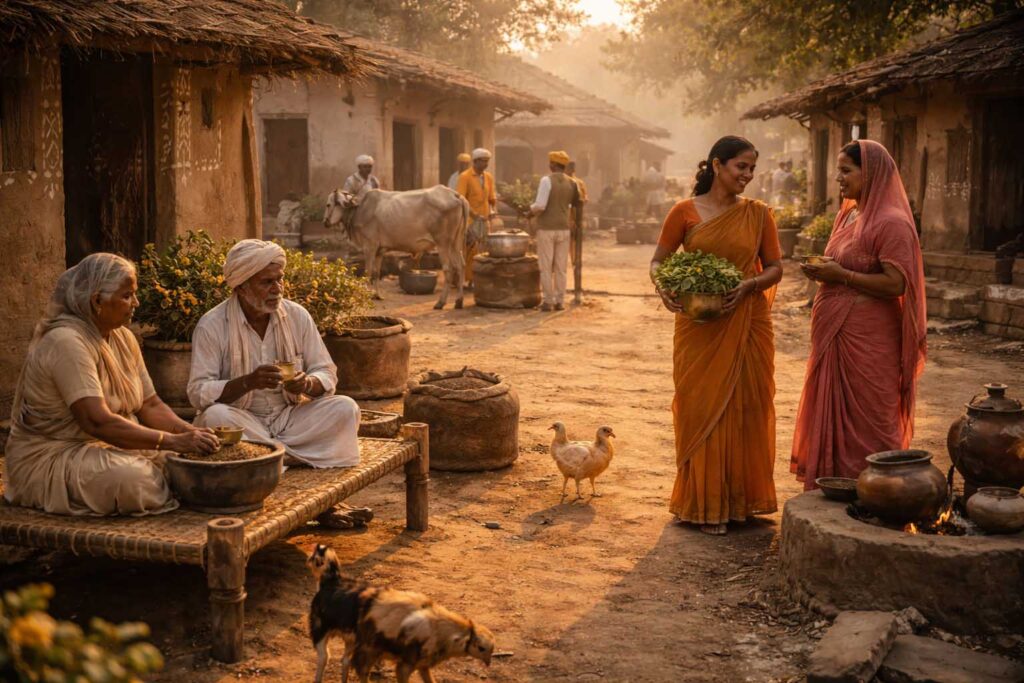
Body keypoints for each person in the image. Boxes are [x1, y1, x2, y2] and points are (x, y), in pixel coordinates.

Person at [4, 253, 220, 516]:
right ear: (97, 300)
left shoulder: (124, 337)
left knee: (183, 465)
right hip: (55, 454)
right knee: (137, 480)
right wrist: (173, 441)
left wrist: (191, 435)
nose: (136, 303)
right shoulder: (66, 342)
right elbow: (96, 422)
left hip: (111, 445)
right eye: (127, 295)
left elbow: (150, 404)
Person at [649, 136, 784, 535]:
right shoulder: (684, 211)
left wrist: (748, 285)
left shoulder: (759, 214)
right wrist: (666, 288)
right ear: (717, 165)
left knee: (749, 406)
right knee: (700, 405)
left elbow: (775, 267)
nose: (747, 176)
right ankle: (703, 505)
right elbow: (659, 261)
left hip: (747, 320)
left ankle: (740, 503)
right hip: (700, 325)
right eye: (741, 167)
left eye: (752, 170)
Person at [791, 140, 926, 488]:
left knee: (873, 416)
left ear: (872, 174)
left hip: (870, 339)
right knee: (832, 410)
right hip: (833, 332)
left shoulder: (892, 222)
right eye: (838, 170)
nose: (839, 177)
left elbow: (896, 284)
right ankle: (834, 485)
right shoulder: (848, 214)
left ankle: (882, 489)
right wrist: (825, 273)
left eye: (846, 170)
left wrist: (843, 276)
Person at [188, 239, 360, 469]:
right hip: (243, 419)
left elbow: (326, 370)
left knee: (346, 408)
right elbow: (198, 392)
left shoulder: (297, 315)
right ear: (241, 287)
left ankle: (267, 456)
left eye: (280, 279)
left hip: (290, 418)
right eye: (267, 282)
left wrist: (307, 384)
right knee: (214, 417)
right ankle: (294, 456)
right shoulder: (212, 325)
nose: (277, 288)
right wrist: (248, 382)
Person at [529, 150, 582, 311]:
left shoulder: (546, 180)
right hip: (564, 229)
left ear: (552, 164)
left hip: (546, 228)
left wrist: (529, 211)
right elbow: (576, 204)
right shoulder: (572, 183)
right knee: (560, 266)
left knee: (546, 266)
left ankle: (548, 301)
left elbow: (540, 205)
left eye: (550, 162)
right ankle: (560, 301)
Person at [455, 148, 497, 288]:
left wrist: (493, 210)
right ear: (476, 161)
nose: (486, 164)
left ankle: (477, 279)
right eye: (483, 161)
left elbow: (492, 197)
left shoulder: (488, 177)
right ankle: (465, 279)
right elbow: (460, 198)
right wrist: (473, 214)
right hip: (469, 219)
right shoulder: (465, 177)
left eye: (487, 161)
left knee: (483, 250)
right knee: (468, 250)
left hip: (484, 219)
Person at [567, 160, 589, 266]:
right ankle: (573, 260)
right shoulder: (564, 181)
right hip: (566, 215)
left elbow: (585, 198)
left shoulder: (579, 182)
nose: (571, 169)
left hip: (576, 215)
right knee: (569, 239)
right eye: (570, 167)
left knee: (575, 239)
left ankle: (575, 260)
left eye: (572, 167)